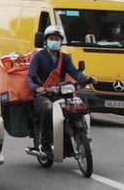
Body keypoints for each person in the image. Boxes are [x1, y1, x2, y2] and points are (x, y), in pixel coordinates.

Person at [27, 25, 95, 154]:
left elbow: (75, 73)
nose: (55, 41)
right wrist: (38, 88)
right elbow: (30, 76)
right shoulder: (38, 57)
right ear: (46, 41)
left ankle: (75, 136)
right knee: (48, 108)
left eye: (57, 39)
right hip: (43, 95)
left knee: (77, 107)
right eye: (52, 38)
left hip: (61, 93)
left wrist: (86, 79)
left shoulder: (65, 58)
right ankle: (45, 143)